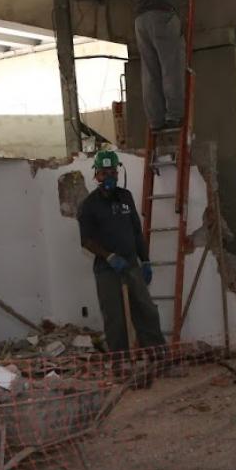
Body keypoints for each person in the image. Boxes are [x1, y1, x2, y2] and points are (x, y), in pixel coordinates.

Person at [77, 149, 165, 356]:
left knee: (146, 311)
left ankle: (158, 356)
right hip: (106, 269)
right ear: (96, 175)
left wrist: (145, 260)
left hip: (131, 264)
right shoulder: (89, 205)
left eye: (112, 172)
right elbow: (86, 240)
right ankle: (121, 362)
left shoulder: (126, 197)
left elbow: (136, 230)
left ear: (118, 173)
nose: (109, 176)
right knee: (114, 317)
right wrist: (109, 256)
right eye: (104, 172)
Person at [122, 0, 191, 133]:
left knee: (150, 72)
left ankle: (155, 120)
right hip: (162, 16)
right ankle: (174, 115)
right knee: (171, 67)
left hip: (140, 23)